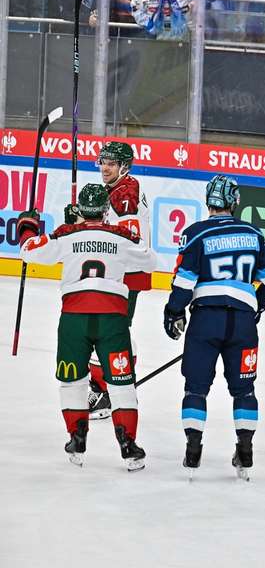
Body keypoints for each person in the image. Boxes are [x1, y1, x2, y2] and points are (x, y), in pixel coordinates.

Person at [17, 184, 157, 471]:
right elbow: (150, 261)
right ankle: (129, 446)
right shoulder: (121, 236)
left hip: (74, 318)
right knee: (121, 383)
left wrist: (27, 225)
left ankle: (77, 438)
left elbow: (28, 251)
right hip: (112, 319)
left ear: (80, 209)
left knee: (72, 381)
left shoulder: (66, 235)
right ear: (106, 211)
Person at [163, 175, 265, 480]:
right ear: (234, 201)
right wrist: (255, 303)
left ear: (208, 201)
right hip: (242, 323)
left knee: (195, 388)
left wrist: (174, 311)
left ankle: (193, 448)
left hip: (206, 320)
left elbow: (184, 282)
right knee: (244, 389)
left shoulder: (195, 233)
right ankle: (245, 449)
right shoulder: (253, 234)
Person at [87, 142, 153, 421]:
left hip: (124, 274)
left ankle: (106, 392)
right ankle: (120, 387)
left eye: (111, 163)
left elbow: (127, 239)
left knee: (104, 331)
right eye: (103, 161)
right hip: (123, 273)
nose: (105, 167)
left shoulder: (125, 195)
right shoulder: (120, 188)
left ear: (124, 167)